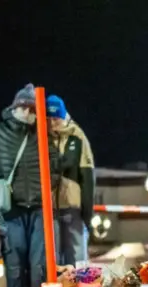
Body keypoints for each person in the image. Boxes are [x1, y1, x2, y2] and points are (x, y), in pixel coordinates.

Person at [0, 84, 52, 287]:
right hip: (11, 209)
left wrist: (49, 185)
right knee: (14, 262)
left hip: (40, 207)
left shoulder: (41, 133)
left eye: (32, 109)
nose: (27, 113)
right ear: (14, 107)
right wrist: (0, 182)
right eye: (23, 107)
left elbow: (54, 163)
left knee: (39, 263)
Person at [46, 95, 95, 267]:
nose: (52, 123)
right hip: (50, 209)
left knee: (78, 259)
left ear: (63, 115)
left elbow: (88, 176)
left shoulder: (78, 136)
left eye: (56, 118)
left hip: (73, 208)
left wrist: (87, 214)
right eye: (49, 119)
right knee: (55, 261)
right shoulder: (42, 139)